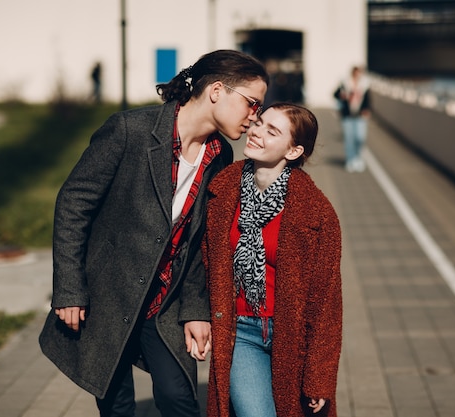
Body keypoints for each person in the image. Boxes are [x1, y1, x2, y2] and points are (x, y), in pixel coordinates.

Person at [39, 49, 269, 417]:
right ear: (217, 91)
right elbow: (72, 204)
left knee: (179, 399)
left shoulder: (220, 155)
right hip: (108, 298)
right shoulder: (129, 130)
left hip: (165, 302)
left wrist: (195, 310)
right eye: (251, 104)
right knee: (117, 406)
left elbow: (201, 242)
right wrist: (69, 288)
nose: (254, 117)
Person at [202, 103, 343, 417]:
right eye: (260, 123)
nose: (256, 133)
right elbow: (205, 264)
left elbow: (326, 302)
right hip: (242, 331)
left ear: (293, 152)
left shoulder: (318, 213)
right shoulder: (222, 191)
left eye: (272, 131)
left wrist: (320, 377)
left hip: (292, 337)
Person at [334, 65, 370, 173]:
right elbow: (335, 94)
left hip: (360, 115)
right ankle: (350, 160)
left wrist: (367, 109)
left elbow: (368, 99)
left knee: (360, 137)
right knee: (349, 139)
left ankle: (358, 158)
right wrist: (342, 95)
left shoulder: (364, 85)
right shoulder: (345, 84)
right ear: (353, 73)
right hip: (347, 115)